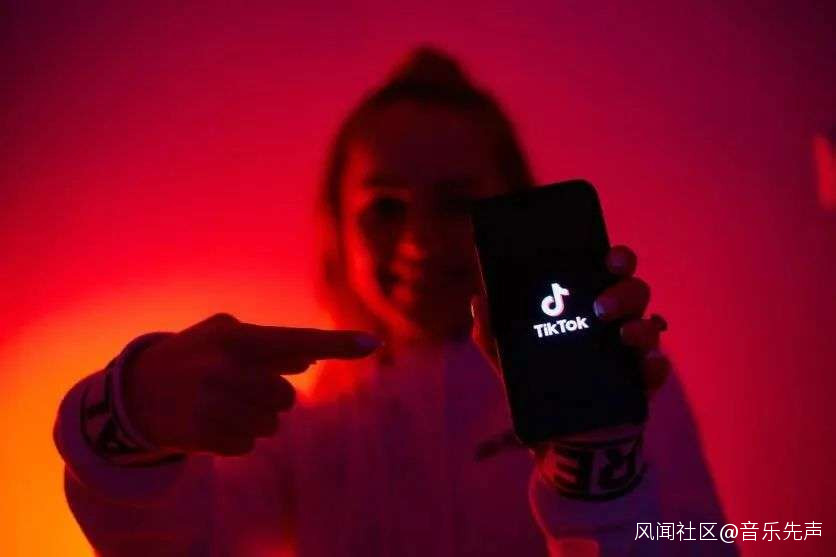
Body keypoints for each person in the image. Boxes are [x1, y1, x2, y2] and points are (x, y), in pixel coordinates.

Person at [54, 47, 734, 556]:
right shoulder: (303, 426)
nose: (420, 242)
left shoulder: (615, 384)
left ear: (515, 210)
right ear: (337, 230)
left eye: (458, 203)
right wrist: (128, 413)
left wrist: (598, 477)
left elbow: (696, 543)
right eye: (385, 208)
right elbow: (184, 543)